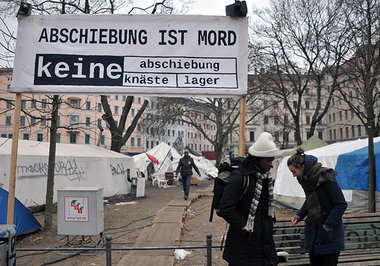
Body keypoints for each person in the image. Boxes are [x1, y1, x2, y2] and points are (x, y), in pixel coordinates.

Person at [218, 132, 280, 266]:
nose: (271, 164)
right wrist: (246, 227)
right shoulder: (239, 177)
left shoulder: (264, 178)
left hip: (263, 248)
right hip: (243, 250)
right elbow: (225, 209)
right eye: (268, 160)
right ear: (258, 159)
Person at [287, 148, 347, 266]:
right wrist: (300, 215)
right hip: (314, 237)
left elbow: (341, 204)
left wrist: (327, 226)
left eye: (294, 171)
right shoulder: (308, 180)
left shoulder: (327, 178)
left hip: (329, 238)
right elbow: (310, 199)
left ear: (303, 166)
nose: (294, 175)